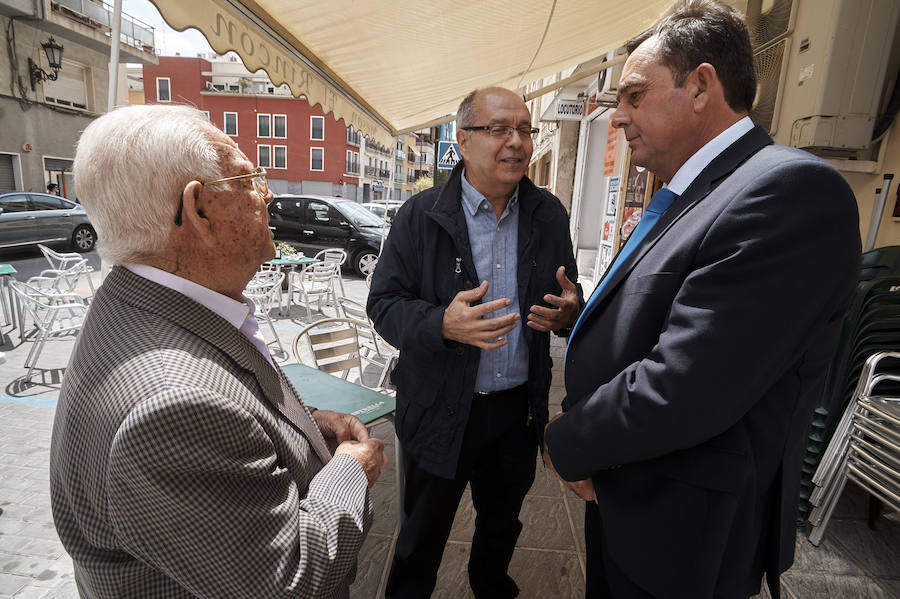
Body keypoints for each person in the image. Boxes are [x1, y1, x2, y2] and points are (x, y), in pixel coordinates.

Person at [543, 1, 861, 597]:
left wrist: (566, 441)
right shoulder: (693, 193)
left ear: (701, 86)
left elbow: (686, 384)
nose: (617, 119)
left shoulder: (786, 191)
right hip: (629, 496)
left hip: (686, 535)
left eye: (634, 96)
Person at [49, 104, 387, 599]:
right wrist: (350, 472)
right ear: (199, 209)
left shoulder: (134, 298)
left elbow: (226, 410)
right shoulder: (173, 406)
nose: (267, 195)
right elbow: (290, 582)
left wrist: (302, 424)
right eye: (250, 179)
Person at [368, 87, 582, 598]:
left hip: (516, 413)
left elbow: (567, 296)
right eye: (500, 129)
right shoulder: (420, 216)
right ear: (463, 141)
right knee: (419, 539)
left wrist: (570, 314)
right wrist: (443, 323)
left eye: (525, 130)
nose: (518, 143)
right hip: (439, 407)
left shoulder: (547, 213)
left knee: (502, 530)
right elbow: (383, 306)